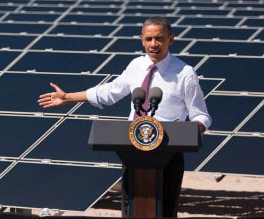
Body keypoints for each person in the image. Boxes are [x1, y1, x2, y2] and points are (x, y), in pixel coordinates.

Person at [38, 16, 211, 218]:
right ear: (142, 40)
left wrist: (190, 129)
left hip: (168, 154)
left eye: (159, 39)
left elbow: (201, 115)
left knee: (165, 212)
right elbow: (110, 91)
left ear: (170, 39)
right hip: (134, 151)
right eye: (148, 39)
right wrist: (68, 97)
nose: (153, 44)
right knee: (130, 210)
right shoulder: (136, 66)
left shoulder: (185, 73)